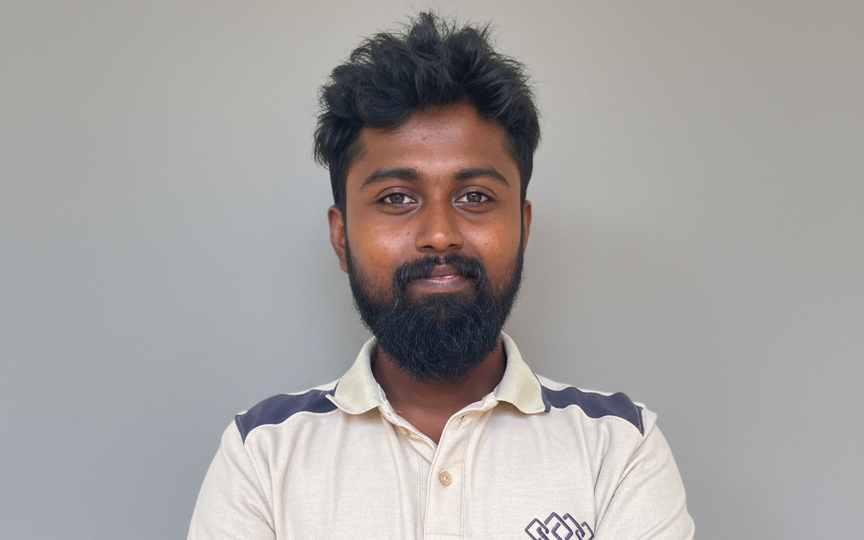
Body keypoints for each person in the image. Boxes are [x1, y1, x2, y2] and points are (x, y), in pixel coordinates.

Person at [188, 12, 694, 540]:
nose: (439, 234)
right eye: (396, 198)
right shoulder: (263, 456)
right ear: (341, 237)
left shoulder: (617, 448)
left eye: (474, 196)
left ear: (522, 227)